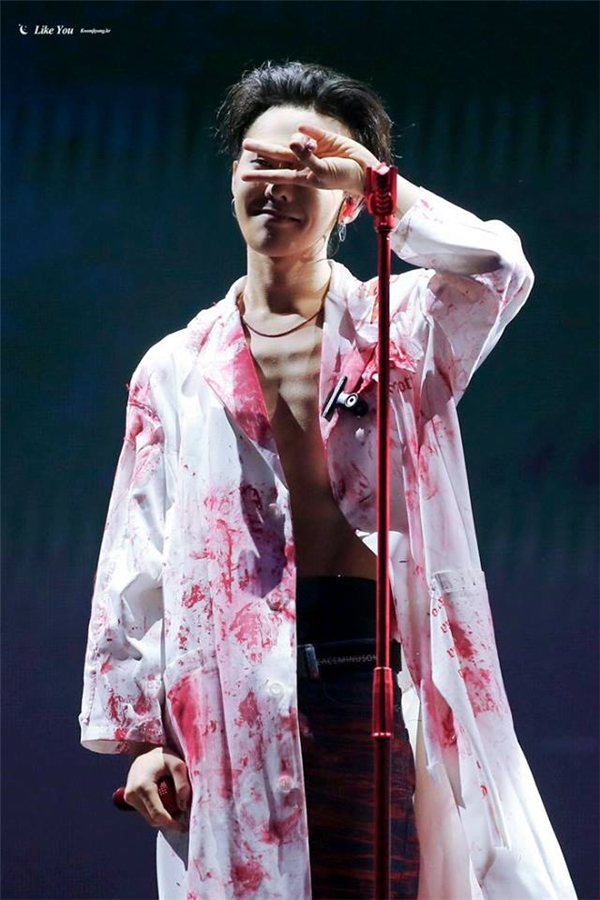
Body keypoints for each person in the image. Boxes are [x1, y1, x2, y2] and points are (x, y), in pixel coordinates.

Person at [80, 62, 576, 900]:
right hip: (232, 702)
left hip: (376, 685)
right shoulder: (174, 367)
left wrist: (388, 193)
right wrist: (142, 740)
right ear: (231, 176)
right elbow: (138, 558)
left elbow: (499, 269)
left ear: (348, 199)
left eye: (306, 168)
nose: (277, 183)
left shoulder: (404, 325)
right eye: (259, 161)